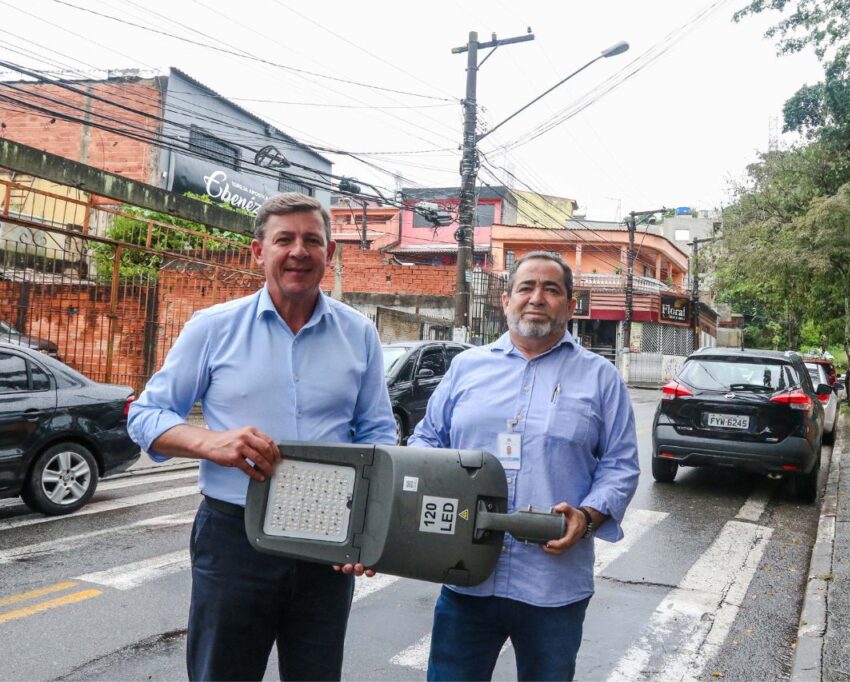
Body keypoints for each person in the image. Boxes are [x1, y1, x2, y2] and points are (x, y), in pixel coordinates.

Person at [127, 192, 395, 682]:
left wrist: (368, 534)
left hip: (327, 538)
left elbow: (377, 433)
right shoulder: (213, 328)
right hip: (234, 537)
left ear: (329, 254)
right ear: (259, 252)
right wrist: (211, 443)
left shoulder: (359, 335)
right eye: (284, 239)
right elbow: (145, 415)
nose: (299, 251)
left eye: (312, 240)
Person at [409, 251, 640, 681]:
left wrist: (587, 517)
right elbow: (425, 443)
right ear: (506, 300)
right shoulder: (466, 368)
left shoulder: (600, 377)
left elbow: (620, 466)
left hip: (554, 585)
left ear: (571, 306)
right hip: (466, 577)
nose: (537, 298)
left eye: (551, 289)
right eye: (526, 288)